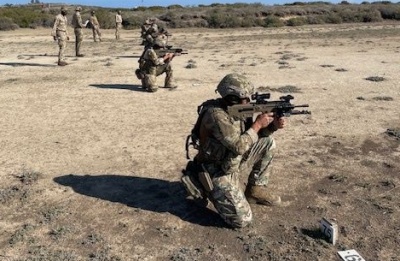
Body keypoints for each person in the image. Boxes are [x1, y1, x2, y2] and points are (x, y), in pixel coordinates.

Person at [181, 73, 287, 228]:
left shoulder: (239, 109)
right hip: (216, 170)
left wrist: (272, 127)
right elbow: (239, 146)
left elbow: (253, 137)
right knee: (242, 220)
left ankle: (254, 190)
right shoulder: (216, 115)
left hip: (231, 160)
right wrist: (257, 124)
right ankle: (205, 187)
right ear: (232, 98)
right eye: (245, 98)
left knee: (267, 142)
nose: (248, 101)